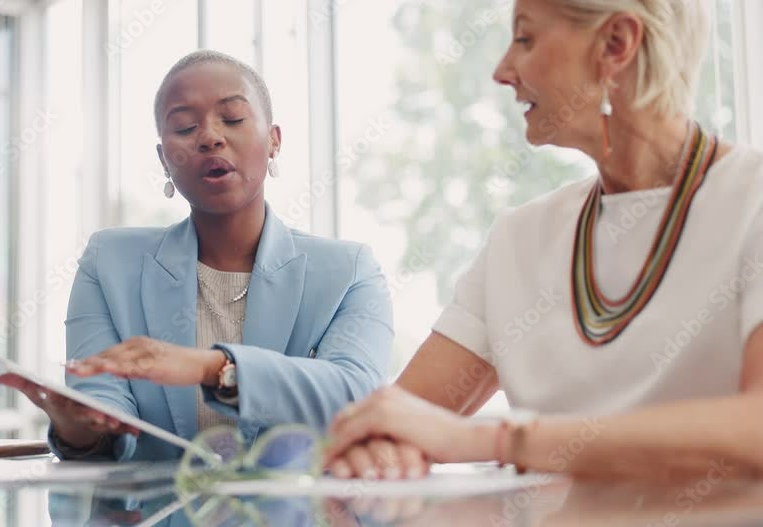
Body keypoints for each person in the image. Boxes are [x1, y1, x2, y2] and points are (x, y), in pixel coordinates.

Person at [325, 0, 763, 481]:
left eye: (526, 38)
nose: (501, 71)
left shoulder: (752, 198)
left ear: (616, 44)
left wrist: (498, 441)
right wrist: (379, 448)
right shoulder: (519, 239)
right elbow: (398, 422)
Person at [0, 50, 394, 462]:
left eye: (233, 118)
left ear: (274, 140)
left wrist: (214, 368)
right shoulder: (109, 262)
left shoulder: (348, 271)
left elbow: (357, 393)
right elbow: (102, 408)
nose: (209, 137)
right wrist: (81, 431)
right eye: (185, 126)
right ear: (164, 159)